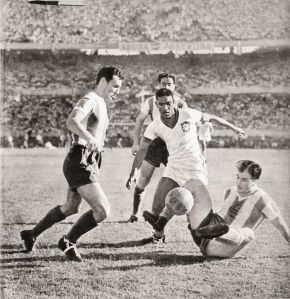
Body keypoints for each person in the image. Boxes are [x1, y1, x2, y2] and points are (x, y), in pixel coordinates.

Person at [20, 66, 124, 262]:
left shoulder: (100, 102)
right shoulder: (91, 99)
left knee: (70, 207)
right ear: (103, 81)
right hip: (80, 159)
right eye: (115, 86)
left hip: (89, 160)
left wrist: (97, 143)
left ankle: (30, 234)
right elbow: (72, 121)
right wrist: (88, 138)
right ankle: (68, 241)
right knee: (102, 210)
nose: (117, 91)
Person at [130, 88, 245, 243]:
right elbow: (142, 150)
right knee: (156, 208)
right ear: (156, 105)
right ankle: (158, 236)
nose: (165, 108)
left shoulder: (188, 114)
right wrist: (133, 173)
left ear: (174, 102)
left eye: (168, 103)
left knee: (196, 217)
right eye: (161, 104)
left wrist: (234, 128)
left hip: (195, 169)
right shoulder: (154, 125)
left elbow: (212, 118)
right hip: (174, 168)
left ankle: (215, 232)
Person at [144, 160, 290, 258]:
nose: (239, 183)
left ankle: (223, 231)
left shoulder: (263, 199)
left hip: (224, 246)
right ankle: (161, 222)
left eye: (244, 180)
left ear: (255, 180)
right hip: (204, 231)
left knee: (249, 234)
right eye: (237, 177)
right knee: (195, 183)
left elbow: (281, 225)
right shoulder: (231, 191)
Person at [126, 73, 187, 223]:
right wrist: (135, 142)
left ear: (174, 86)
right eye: (163, 84)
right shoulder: (151, 102)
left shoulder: (180, 103)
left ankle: (190, 214)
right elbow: (140, 120)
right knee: (144, 178)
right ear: (159, 85)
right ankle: (135, 213)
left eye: (169, 84)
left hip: (173, 145)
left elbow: (189, 127)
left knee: (184, 181)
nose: (166, 86)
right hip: (155, 143)